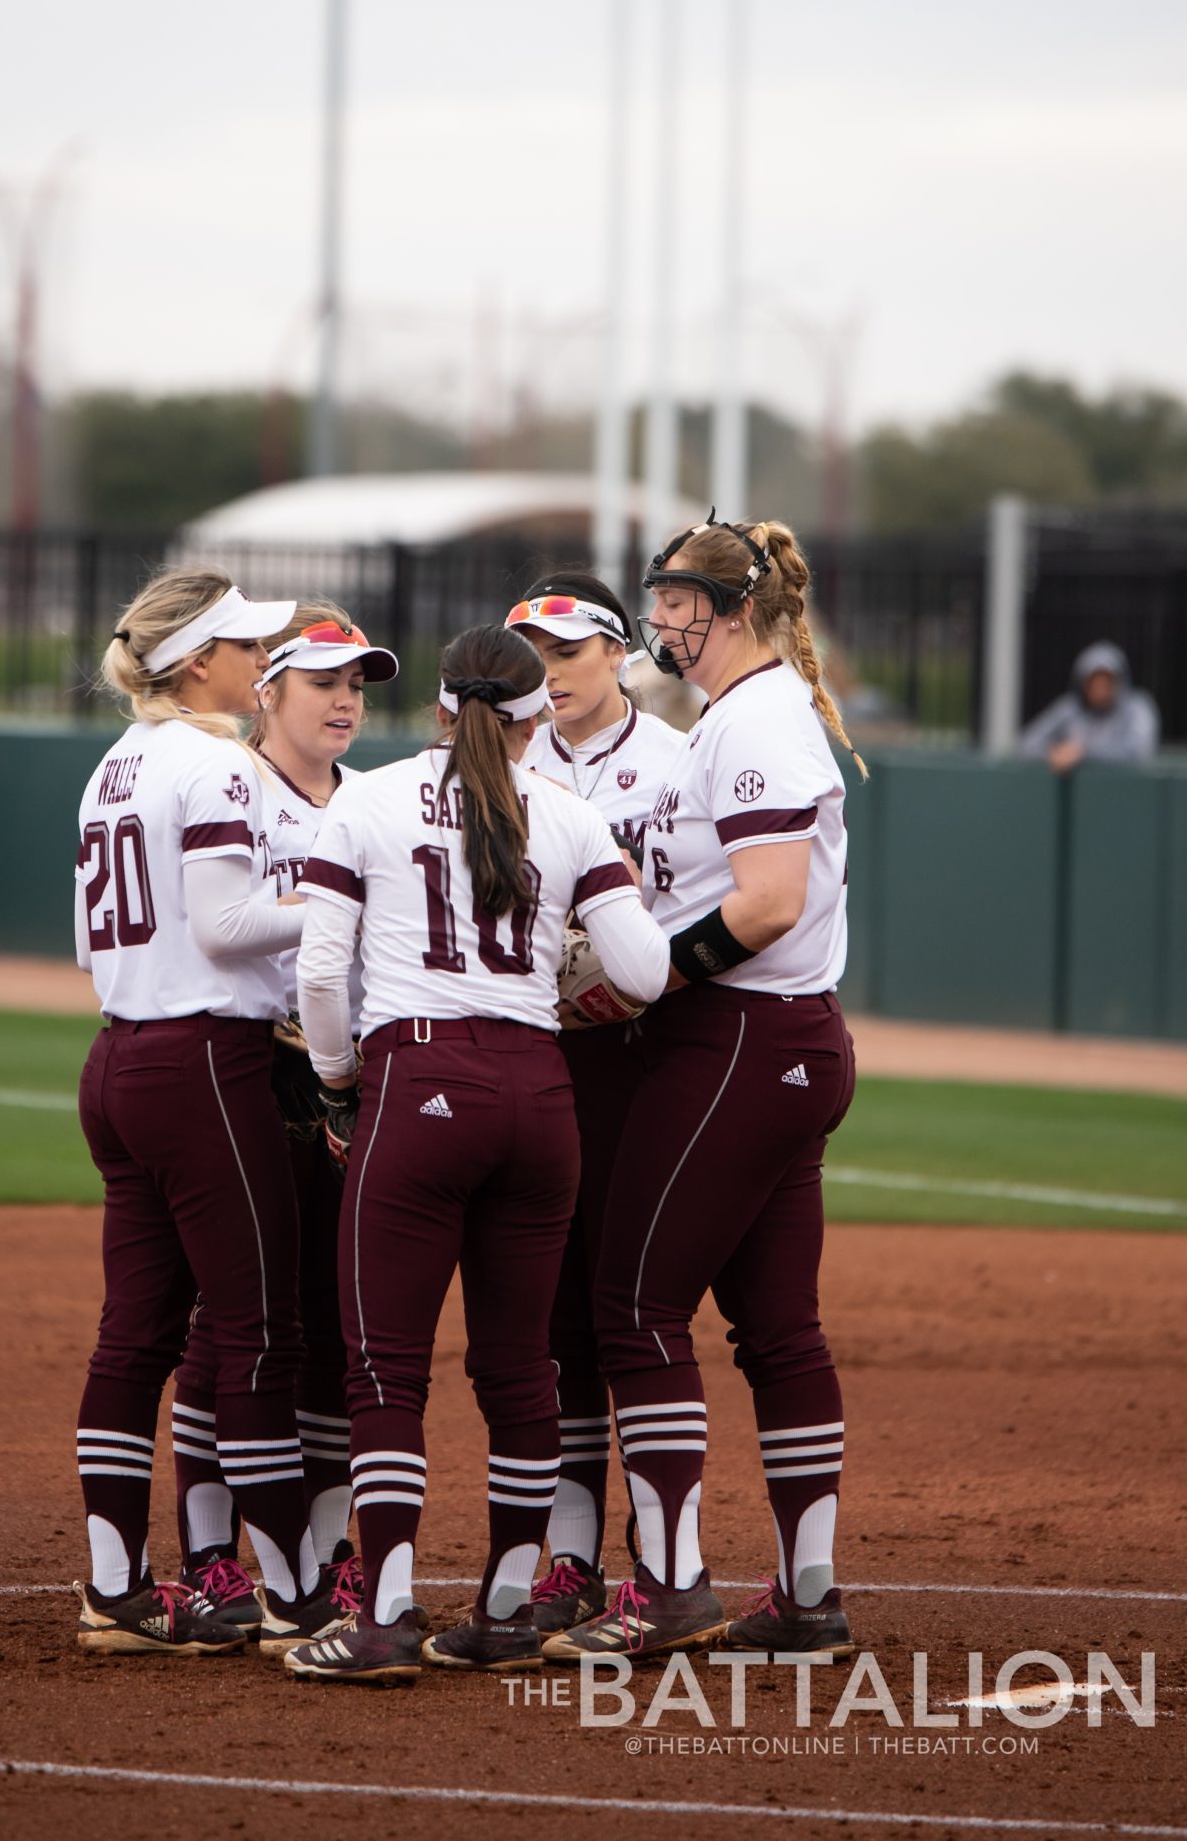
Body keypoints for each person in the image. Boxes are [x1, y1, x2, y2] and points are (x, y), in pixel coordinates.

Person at [283, 622, 676, 1683]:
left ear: (439, 711)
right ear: (533, 715)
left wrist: (335, 1082)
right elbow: (640, 975)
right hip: (541, 1092)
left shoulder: (363, 798)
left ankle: (390, 1610)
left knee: (384, 1366)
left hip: (417, 1080)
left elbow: (322, 977)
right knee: (520, 1364)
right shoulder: (570, 812)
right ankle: (508, 1604)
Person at [550, 514, 864, 1667]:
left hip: (739, 1036)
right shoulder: (745, 713)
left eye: (679, 599)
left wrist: (646, 977)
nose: (662, 616)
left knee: (631, 1304)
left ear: (731, 609)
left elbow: (770, 897)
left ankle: (672, 1586)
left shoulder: (754, 716)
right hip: (785, 1041)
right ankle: (804, 1595)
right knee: (777, 1328)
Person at [69, 569, 356, 1658]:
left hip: (119, 1057)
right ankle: (289, 1592)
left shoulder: (114, 763)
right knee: (261, 1329)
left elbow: (96, 943)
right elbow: (229, 922)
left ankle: (116, 1587)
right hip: (201, 1063)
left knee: (135, 1333)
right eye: (242, 646)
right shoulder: (215, 763)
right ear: (198, 663)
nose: (256, 660)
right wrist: (345, 897)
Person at [167, 607, 399, 1635]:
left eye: (357, 684)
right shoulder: (230, 782)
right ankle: (214, 1552)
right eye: (322, 682)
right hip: (252, 1065)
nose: (346, 700)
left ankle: (321, 1547)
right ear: (269, 692)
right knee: (230, 1318)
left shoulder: (371, 800)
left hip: (343, 1077)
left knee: (324, 1314)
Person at [500, 575, 690, 1637]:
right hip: (536, 1058)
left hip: (643, 1056)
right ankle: (566, 1552)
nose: (546, 675)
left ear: (616, 653)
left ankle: (661, 1559)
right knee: (554, 1311)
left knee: (631, 1303)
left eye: (564, 652)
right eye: (529, 654)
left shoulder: (677, 760)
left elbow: (707, 911)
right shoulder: (498, 762)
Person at [1019, 641, 1159, 771]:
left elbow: (1138, 751)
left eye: (1107, 683)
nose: (1101, 691)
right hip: (1077, 795)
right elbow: (1027, 744)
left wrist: (1083, 752)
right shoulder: (1070, 709)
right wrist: (1055, 752)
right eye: (1094, 683)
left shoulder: (1137, 707)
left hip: (1125, 792)